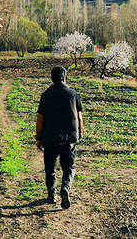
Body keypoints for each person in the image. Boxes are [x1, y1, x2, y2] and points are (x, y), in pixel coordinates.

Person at [35, 66, 83, 209]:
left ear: (52, 79)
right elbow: (79, 117)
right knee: (69, 166)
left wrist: (38, 138)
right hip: (69, 138)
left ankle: (51, 195)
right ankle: (66, 188)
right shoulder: (73, 94)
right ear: (64, 78)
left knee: (50, 168)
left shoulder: (46, 95)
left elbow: (40, 119)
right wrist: (80, 133)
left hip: (50, 138)